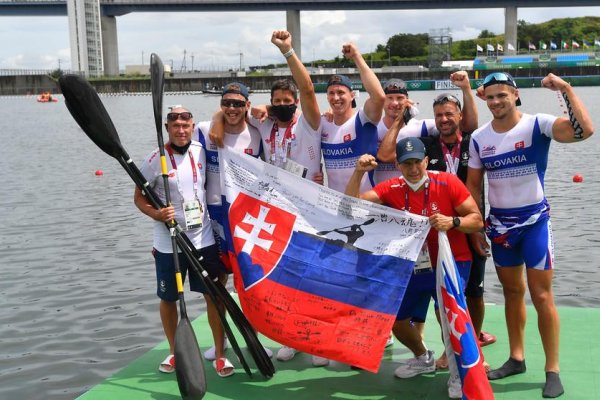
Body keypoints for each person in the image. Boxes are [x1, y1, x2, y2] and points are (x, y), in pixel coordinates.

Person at [466, 72, 594, 398]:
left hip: (534, 222)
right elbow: (473, 187)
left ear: (515, 95)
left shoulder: (538, 125)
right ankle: (516, 357)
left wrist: (565, 88)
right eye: (490, 97)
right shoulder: (480, 138)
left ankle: (552, 369)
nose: (496, 102)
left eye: (502, 96)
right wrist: (477, 226)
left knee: (541, 296)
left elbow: (584, 131)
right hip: (500, 227)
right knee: (511, 294)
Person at [346, 137, 483, 399]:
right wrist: (358, 172)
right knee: (396, 320)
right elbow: (352, 207)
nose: (413, 169)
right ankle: (423, 357)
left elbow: (475, 221)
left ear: (426, 160)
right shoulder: (391, 187)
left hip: (451, 261)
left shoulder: (448, 181)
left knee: (449, 318)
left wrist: (452, 221)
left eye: (417, 162)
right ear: (397, 164)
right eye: (406, 163)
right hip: (413, 264)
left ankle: (458, 374)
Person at [134, 107, 232, 377]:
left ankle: (220, 354)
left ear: (191, 127)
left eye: (185, 125)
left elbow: (222, 117)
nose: (180, 130)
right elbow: (139, 198)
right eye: (174, 125)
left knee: (213, 295)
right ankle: (175, 351)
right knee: (168, 298)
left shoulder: (202, 150)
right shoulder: (155, 159)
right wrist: (156, 213)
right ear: (167, 129)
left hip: (203, 239)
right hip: (169, 242)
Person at [420, 88, 497, 371]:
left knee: (474, 292)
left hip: (471, 226)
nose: (443, 119)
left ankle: (474, 344)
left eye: (449, 114)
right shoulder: (425, 145)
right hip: (438, 231)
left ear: (460, 116)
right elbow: (391, 155)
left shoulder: (473, 144)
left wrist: (476, 230)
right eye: (439, 115)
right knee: (444, 296)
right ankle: (449, 348)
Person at [194, 82, 269, 362]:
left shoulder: (258, 134)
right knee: (216, 283)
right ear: (220, 105)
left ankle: (254, 342)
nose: (232, 109)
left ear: (247, 105)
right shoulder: (204, 129)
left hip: (246, 216)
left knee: (249, 283)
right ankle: (220, 343)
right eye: (227, 103)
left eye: (238, 104)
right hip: (213, 215)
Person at [244, 30, 323, 184]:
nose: (282, 105)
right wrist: (264, 108)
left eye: (287, 101)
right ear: (271, 101)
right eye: (277, 101)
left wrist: (287, 51)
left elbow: (307, 89)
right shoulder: (263, 122)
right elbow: (232, 114)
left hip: (308, 200)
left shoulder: (309, 124)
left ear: (297, 102)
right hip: (277, 199)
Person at [320, 43, 386, 193]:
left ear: (352, 95)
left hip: (364, 205)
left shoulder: (363, 119)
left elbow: (379, 97)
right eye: (331, 93)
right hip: (334, 205)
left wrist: (356, 57)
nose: (336, 98)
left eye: (341, 92)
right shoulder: (323, 121)